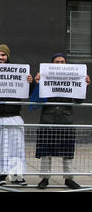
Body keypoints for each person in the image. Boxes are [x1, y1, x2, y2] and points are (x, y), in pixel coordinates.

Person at [34, 53, 90, 190]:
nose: (60, 64)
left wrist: (84, 85)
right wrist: (37, 84)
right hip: (48, 120)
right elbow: (36, 100)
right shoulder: (44, 77)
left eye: (62, 61)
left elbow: (78, 100)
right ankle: (45, 179)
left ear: (66, 64)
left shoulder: (72, 77)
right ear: (51, 64)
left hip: (65, 119)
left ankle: (69, 179)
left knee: (67, 152)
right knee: (46, 151)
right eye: (57, 62)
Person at [0, 44, 33, 186]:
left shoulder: (18, 72)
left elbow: (27, 92)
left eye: (3, 55)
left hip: (13, 115)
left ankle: (16, 176)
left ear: (7, 56)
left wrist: (30, 82)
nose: (0, 57)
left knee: (15, 147)